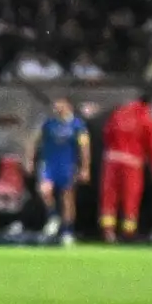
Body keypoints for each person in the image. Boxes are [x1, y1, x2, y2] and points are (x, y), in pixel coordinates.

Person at [98, 93, 152, 244]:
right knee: (130, 198)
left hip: (112, 160)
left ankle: (108, 233)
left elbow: (107, 134)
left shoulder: (118, 113)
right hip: (132, 162)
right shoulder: (146, 118)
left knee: (109, 197)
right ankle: (128, 233)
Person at [31, 95, 90, 240]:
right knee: (44, 190)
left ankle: (67, 231)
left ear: (68, 105)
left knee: (67, 199)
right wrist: (30, 159)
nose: (56, 107)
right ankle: (53, 216)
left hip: (67, 165)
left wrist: (85, 168)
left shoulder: (78, 125)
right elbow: (34, 140)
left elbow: (84, 147)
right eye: (55, 104)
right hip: (49, 164)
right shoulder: (49, 124)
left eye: (59, 104)